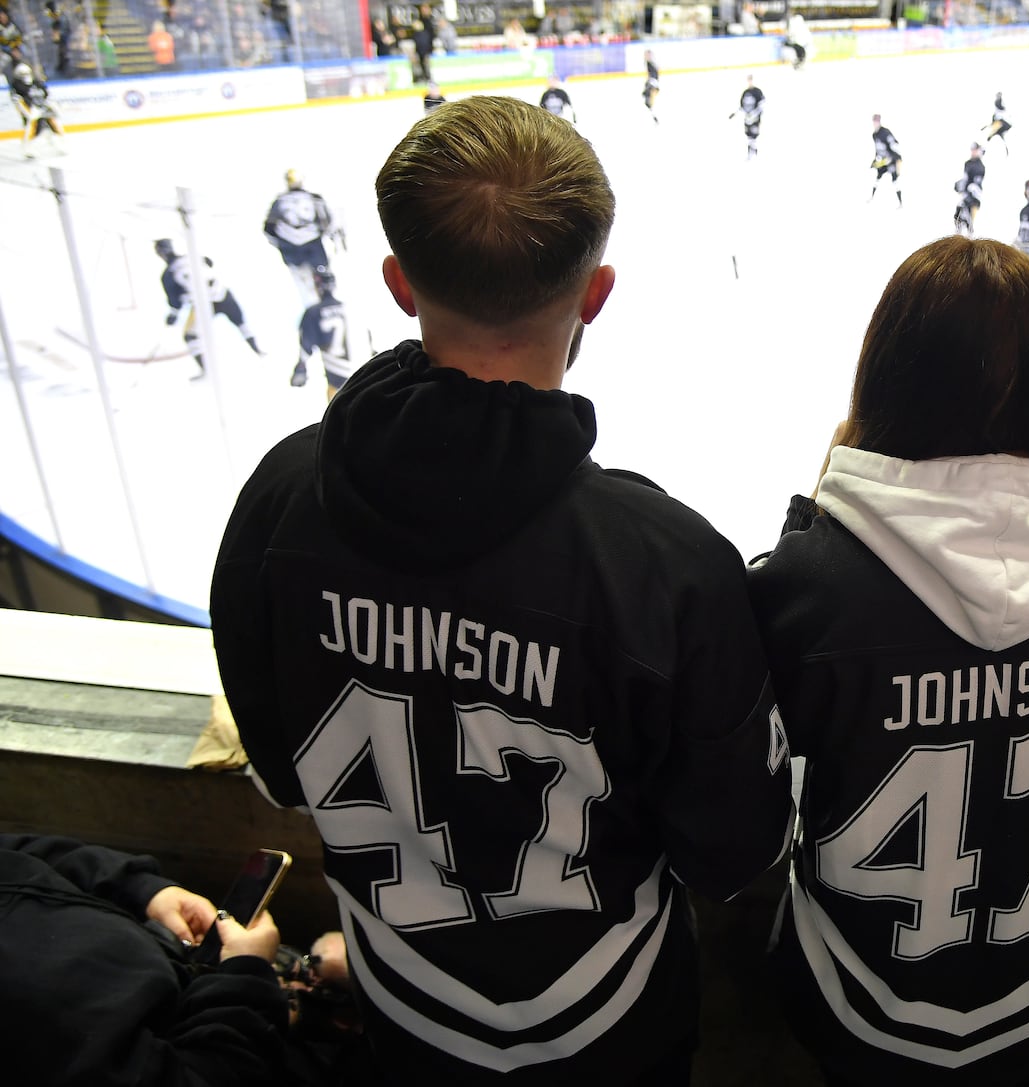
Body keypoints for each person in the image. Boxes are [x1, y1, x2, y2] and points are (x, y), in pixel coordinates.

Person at [209, 96, 794, 1085]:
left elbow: (278, 770)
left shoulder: (276, 504)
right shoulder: (666, 563)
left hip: (404, 1002)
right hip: (613, 1017)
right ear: (596, 293)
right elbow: (736, 851)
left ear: (398, 284)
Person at [748, 235, 1029, 1087]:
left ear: (887, 377)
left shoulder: (813, 579)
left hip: (850, 1001)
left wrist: (818, 512)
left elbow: (767, 753)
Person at [0, 833, 289, 1085]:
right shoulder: (37, 1023)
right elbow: (207, 1076)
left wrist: (143, 890)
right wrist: (246, 977)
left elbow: (26, 853)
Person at [155, 238, 265, 378]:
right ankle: (259, 351)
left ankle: (207, 371)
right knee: (241, 323)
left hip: (203, 305)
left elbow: (175, 301)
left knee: (190, 336)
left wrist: (173, 315)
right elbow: (210, 262)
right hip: (223, 295)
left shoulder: (168, 275)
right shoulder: (193, 257)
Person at [263, 169, 339, 307]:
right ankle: (323, 298)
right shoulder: (314, 198)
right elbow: (327, 222)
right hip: (311, 245)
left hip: (293, 248)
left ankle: (315, 302)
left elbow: (269, 228)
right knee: (320, 274)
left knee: (304, 281)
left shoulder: (280, 200)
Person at [291, 265, 356, 398]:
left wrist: (300, 369)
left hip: (338, 381)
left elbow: (306, 346)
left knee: (340, 416)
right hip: (362, 373)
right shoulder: (349, 308)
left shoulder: (313, 313)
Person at [8, 62, 64, 157]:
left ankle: (59, 144)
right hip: (32, 109)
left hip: (42, 107)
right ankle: (27, 148)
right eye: (22, 74)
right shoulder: (17, 86)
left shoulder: (37, 83)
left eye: (26, 73)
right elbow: (18, 100)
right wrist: (27, 112)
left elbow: (46, 95)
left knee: (54, 124)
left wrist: (51, 106)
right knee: (33, 127)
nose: (25, 76)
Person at [868, 113, 902, 206]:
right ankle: (872, 197)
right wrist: (875, 160)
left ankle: (900, 203)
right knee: (877, 178)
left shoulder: (885, 132)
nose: (875, 123)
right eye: (874, 121)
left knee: (895, 181)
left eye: (877, 121)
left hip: (892, 160)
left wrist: (895, 156)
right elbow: (878, 150)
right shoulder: (874, 135)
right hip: (883, 161)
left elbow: (894, 144)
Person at [953, 142, 985, 236]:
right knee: (958, 217)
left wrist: (970, 196)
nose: (973, 152)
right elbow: (966, 179)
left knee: (969, 223)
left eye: (975, 150)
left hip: (973, 198)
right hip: (965, 196)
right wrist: (959, 185)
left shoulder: (979, 167)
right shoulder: (968, 163)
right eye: (972, 150)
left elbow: (976, 185)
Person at [731, 74, 764, 159]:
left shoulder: (757, 92)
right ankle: (750, 151)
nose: (750, 82)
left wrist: (754, 114)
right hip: (747, 118)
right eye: (749, 80)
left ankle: (755, 152)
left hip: (755, 119)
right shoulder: (746, 92)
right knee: (748, 135)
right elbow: (742, 106)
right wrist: (735, 113)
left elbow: (762, 105)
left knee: (754, 135)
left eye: (751, 80)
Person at [642, 49, 660, 123]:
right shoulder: (649, 63)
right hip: (652, 82)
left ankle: (651, 108)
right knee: (647, 97)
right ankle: (651, 108)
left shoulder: (652, 63)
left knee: (649, 95)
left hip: (653, 82)